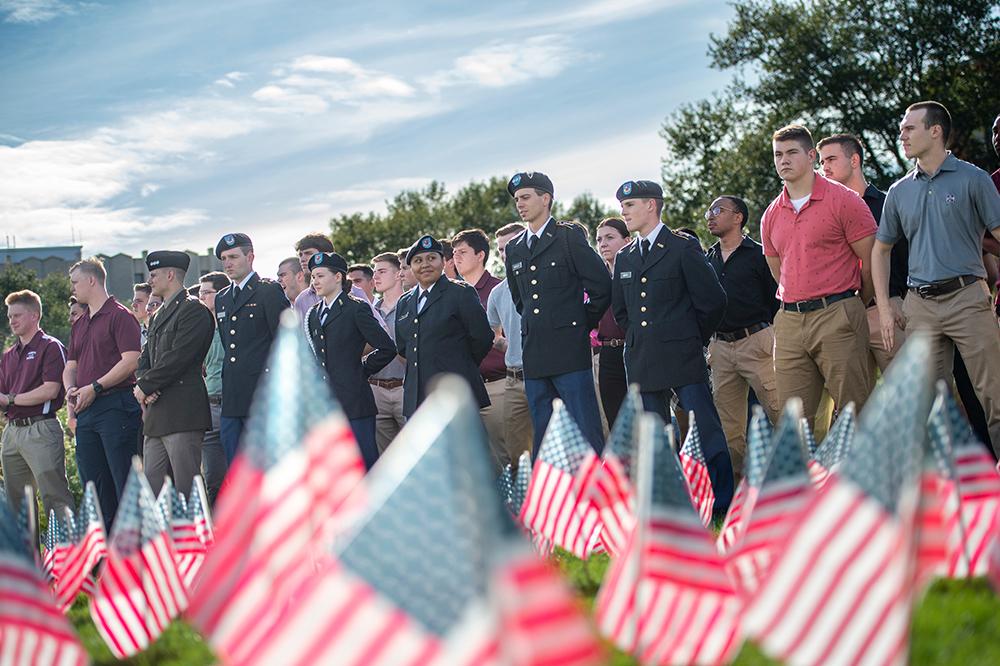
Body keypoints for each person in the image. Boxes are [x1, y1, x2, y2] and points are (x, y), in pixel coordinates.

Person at [873, 100, 1000, 457]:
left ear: (935, 131)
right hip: (920, 306)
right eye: (901, 128)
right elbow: (880, 250)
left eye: (909, 128)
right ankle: (948, 481)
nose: (902, 134)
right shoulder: (898, 191)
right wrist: (885, 308)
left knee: (993, 393)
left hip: (968, 299)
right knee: (928, 401)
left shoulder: (973, 178)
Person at [611, 179, 734, 511]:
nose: (624, 211)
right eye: (622, 206)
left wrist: (690, 337)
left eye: (630, 205)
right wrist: (641, 338)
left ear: (651, 205)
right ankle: (672, 504)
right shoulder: (625, 258)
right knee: (656, 437)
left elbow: (712, 301)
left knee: (703, 429)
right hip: (643, 358)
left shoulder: (682, 247)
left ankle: (721, 501)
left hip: (682, 354)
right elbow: (622, 312)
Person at [762, 125, 878, 433]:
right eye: (777, 154)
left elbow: (872, 261)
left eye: (791, 152)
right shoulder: (771, 214)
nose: (783, 160)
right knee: (794, 425)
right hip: (788, 320)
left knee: (855, 414)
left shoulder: (845, 201)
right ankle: (809, 481)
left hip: (838, 312)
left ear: (811, 155)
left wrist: (854, 303)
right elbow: (778, 271)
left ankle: (865, 480)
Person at [504, 172, 611, 456]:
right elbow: (521, 301)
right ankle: (557, 499)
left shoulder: (567, 238)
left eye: (526, 197)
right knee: (545, 436)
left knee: (585, 431)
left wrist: (576, 325)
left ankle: (596, 496)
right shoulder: (514, 249)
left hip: (569, 353)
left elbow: (602, 287)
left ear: (546, 198)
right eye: (517, 199)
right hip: (535, 354)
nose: (520, 204)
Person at [818, 133, 909, 370]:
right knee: (856, 403)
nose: (824, 167)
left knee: (907, 397)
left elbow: (906, 257)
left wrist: (899, 299)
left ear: (854, 160)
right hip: (842, 317)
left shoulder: (888, 204)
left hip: (887, 309)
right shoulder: (823, 214)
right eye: (821, 162)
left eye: (830, 159)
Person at [704, 195, 780, 475]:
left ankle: (801, 481)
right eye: (709, 211)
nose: (710, 216)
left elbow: (775, 300)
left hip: (758, 342)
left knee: (779, 412)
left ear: (738, 217)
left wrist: (771, 336)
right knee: (729, 428)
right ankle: (739, 493)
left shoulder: (759, 254)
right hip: (721, 349)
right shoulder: (707, 258)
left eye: (717, 210)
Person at [63, 258, 142, 525]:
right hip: (86, 412)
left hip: (116, 408)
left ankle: (133, 556)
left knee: (124, 485)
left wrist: (95, 386)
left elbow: (131, 360)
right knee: (94, 490)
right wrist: (71, 388)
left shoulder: (121, 316)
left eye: (75, 281)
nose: (72, 287)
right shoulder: (80, 323)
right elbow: (70, 365)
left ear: (91, 280)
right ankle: (106, 557)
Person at [135, 251, 215, 497]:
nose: (150, 280)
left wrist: (146, 386)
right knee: (152, 489)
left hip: (182, 412)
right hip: (157, 414)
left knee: (187, 490)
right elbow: (145, 357)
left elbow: (179, 357)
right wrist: (143, 384)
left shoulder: (193, 311)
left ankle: (196, 536)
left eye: (154, 275)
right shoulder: (158, 315)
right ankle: (161, 536)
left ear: (170, 275)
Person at [305, 252, 396, 469]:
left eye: (320, 276)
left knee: (363, 466)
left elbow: (387, 347)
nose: (315, 281)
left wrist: (360, 370)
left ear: (338, 277)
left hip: (355, 403)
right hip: (326, 406)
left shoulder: (356, 308)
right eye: (313, 277)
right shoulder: (314, 314)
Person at [395, 235, 493, 418]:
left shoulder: (460, 293)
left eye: (432, 258)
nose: (425, 265)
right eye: (417, 261)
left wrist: (459, 364)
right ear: (411, 267)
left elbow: (482, 338)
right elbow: (403, 347)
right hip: (417, 398)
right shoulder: (405, 302)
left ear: (443, 262)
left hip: (455, 394)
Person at [214, 233, 289, 463]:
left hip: (262, 395)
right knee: (235, 465)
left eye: (234, 257)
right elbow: (229, 345)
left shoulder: (268, 291)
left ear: (250, 257)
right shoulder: (222, 298)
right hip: (232, 396)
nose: (228, 263)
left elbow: (284, 342)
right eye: (224, 258)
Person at [0, 290, 75, 517]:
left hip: (41, 429)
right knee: (17, 505)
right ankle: (27, 554)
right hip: (12, 432)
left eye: (17, 315)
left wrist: (11, 400)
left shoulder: (51, 346)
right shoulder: (8, 355)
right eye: (10, 316)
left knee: (55, 497)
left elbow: (51, 390)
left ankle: (68, 552)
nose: (11, 321)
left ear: (34, 316)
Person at [452, 228, 508, 469]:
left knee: (507, 456)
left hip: (497, 386)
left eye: (463, 252)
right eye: (454, 253)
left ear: (480, 255)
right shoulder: (451, 294)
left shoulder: (500, 289)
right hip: (466, 390)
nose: (456, 258)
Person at [487, 223, 534, 470]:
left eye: (510, 246)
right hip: (513, 380)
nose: (506, 253)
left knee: (548, 447)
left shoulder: (539, 282)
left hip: (544, 375)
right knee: (517, 454)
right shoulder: (497, 293)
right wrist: (512, 347)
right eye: (502, 250)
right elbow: (492, 334)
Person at [594, 217, 632, 428]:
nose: (603, 244)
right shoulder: (595, 278)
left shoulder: (638, 273)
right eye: (599, 239)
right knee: (616, 424)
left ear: (627, 240)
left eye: (610, 237)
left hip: (636, 350)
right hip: (608, 353)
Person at [369, 252, 407, 452]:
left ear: (399, 273)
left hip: (405, 387)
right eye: (375, 272)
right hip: (376, 389)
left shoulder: (413, 305)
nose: (376, 276)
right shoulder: (369, 311)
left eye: (382, 271)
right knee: (386, 459)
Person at [197, 271, 229, 505]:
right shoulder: (199, 330)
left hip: (233, 406)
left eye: (206, 292)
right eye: (200, 293)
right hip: (207, 407)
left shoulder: (232, 327)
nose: (201, 297)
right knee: (213, 479)